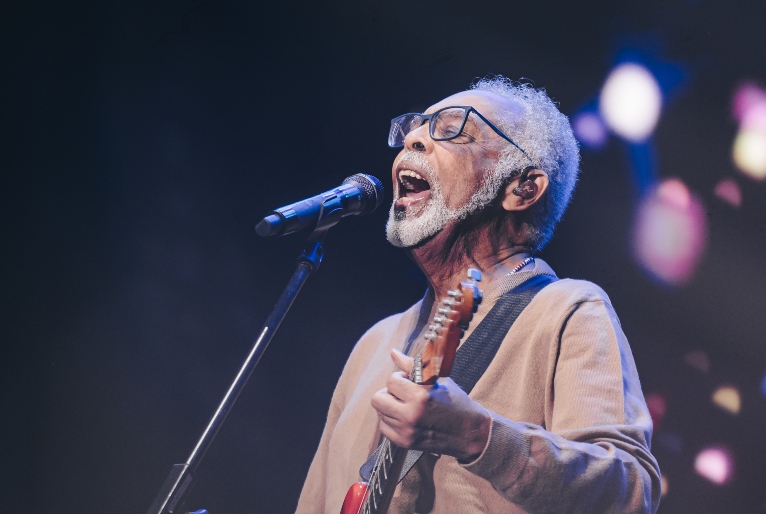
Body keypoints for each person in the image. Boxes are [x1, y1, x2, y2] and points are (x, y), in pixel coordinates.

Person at [295, 76, 661, 514]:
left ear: (521, 188)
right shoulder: (375, 342)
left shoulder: (569, 311)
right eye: (413, 128)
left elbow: (630, 492)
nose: (412, 139)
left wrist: (479, 437)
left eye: (452, 129)